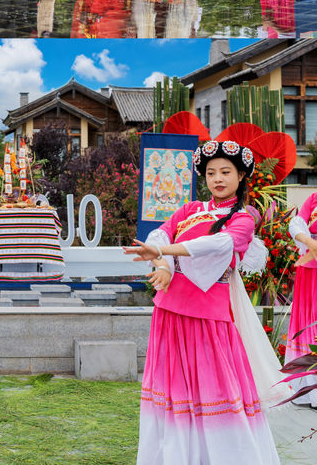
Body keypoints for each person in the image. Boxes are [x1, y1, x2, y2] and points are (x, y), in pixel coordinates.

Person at [124, 140, 280, 465]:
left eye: (225, 172)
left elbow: (218, 245)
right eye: (211, 173)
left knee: (216, 389)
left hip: (209, 318)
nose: (217, 179)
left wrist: (164, 255)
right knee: (175, 392)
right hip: (169, 313)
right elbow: (158, 236)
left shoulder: (243, 218)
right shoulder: (189, 210)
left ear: (240, 176)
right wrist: (163, 267)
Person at [287, 189, 317, 407]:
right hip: (310, 268)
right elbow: (297, 222)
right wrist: (309, 241)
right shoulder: (314, 198)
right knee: (310, 324)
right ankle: (309, 390)